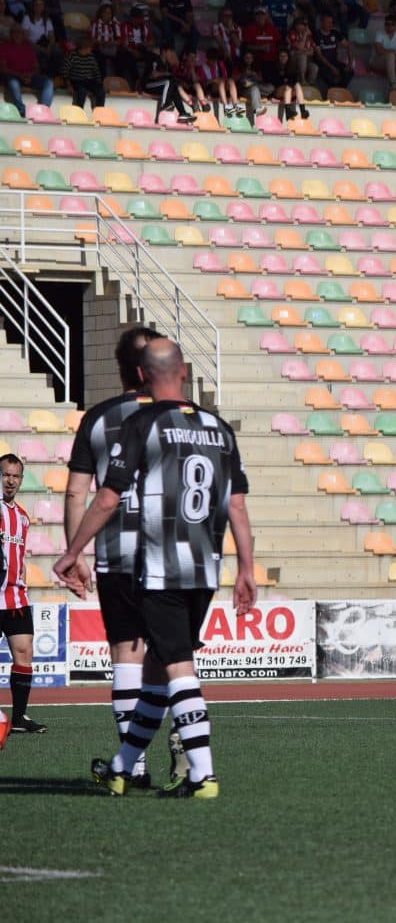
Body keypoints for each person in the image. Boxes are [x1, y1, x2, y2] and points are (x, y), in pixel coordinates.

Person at [56, 338, 256, 799]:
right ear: (184, 372)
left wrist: (73, 551)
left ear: (142, 376)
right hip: (206, 565)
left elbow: (106, 496)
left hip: (158, 565)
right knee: (156, 671)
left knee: (176, 667)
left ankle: (202, 774)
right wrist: (247, 567)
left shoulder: (141, 422)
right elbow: (238, 506)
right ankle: (122, 767)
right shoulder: (218, 427)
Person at [65, 326, 163, 784]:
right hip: (175, 552)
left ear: (122, 367)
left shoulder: (98, 418)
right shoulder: (181, 415)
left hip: (118, 550)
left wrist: (74, 552)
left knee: (126, 652)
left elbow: (75, 492)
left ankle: (133, 764)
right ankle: (187, 746)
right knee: (172, 656)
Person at [0, 454, 42, 735]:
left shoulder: (23, 517)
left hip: (16, 597)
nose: (11, 480)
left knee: (24, 652)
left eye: (16, 476)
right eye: (6, 475)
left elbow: (20, 556)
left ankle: (19, 717)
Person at [0, 24, 53, 118]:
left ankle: (44, 110)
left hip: (29, 76)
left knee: (48, 82)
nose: (17, 35)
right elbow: (3, 68)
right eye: (15, 33)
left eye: (20, 33)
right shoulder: (4, 46)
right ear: (11, 34)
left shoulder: (28, 47)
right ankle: (23, 111)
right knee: (13, 83)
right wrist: (20, 75)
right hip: (13, 76)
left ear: (23, 35)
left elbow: (36, 67)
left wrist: (30, 75)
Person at [63, 35, 106, 110]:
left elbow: (96, 72)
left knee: (101, 92)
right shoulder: (72, 56)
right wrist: (68, 85)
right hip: (76, 80)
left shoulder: (91, 56)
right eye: (89, 47)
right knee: (82, 92)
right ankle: (79, 111)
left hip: (89, 80)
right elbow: (64, 71)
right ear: (84, 48)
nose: (91, 49)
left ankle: (99, 112)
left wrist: (99, 84)